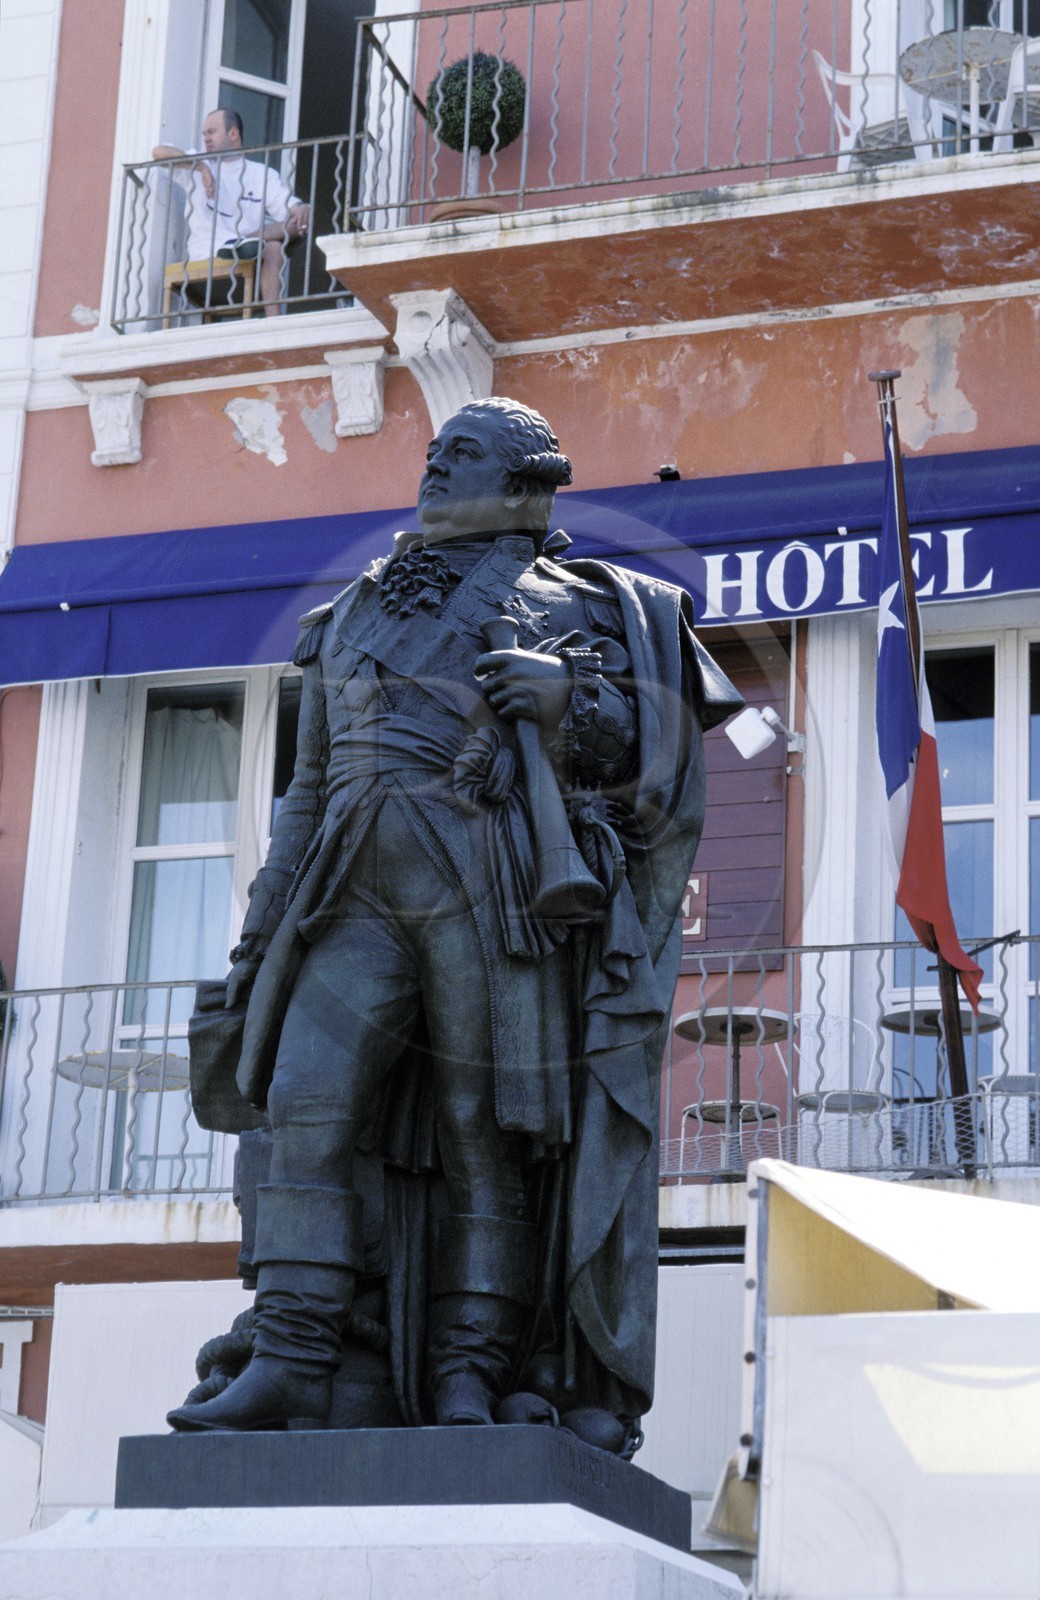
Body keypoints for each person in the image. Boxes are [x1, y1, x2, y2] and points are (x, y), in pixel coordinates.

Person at [167, 397, 741, 1440]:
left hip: (488, 884)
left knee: (488, 1136)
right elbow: (306, 793)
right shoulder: (348, 610)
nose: (435, 469)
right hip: (347, 882)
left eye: (462, 455)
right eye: (433, 453)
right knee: (304, 1100)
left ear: (528, 484)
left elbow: (646, 760)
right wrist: (258, 938)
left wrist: (568, 701)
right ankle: (293, 1350)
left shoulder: (586, 604)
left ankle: (469, 1372)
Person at [152, 108, 310, 317]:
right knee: (272, 245)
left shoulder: (260, 174)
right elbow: (158, 153)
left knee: (288, 232)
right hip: (207, 260)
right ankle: (242, 244)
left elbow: (290, 209)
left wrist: (301, 208)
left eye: (212, 132)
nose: (206, 138)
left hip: (248, 259)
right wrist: (200, 167)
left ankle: (273, 322)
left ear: (233, 134)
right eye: (204, 134)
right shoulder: (198, 162)